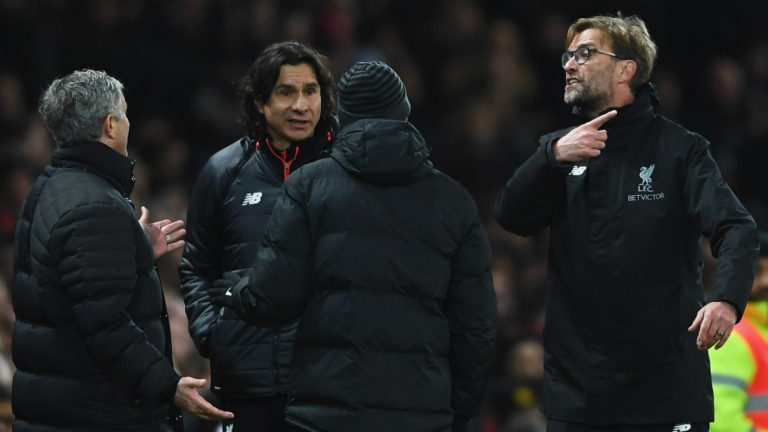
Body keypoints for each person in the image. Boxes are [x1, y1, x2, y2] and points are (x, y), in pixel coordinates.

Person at [493, 13, 759, 432]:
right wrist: (551, 156)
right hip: (579, 397)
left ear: (626, 69)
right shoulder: (560, 151)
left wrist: (726, 300)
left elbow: (736, 228)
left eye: (585, 53)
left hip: (664, 393)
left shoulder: (679, 150)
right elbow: (511, 217)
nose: (569, 64)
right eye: (567, 55)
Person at [207, 60, 497, 432]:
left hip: (324, 414)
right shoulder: (454, 201)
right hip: (421, 414)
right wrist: (461, 411)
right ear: (404, 115)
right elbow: (476, 326)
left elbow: (275, 297)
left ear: (341, 120)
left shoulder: (308, 186)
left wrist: (237, 291)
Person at [10, 69, 233, 431]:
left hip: (61, 410)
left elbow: (68, 285)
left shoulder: (48, 187)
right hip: (97, 415)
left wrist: (133, 251)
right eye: (125, 113)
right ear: (110, 125)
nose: (129, 122)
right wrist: (169, 385)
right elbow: (106, 324)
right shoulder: (95, 206)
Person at [178, 41, 337, 431]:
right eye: (286, 92)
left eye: (311, 91)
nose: (301, 105)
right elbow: (197, 265)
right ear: (261, 103)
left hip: (329, 384)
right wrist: (214, 335)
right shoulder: (223, 171)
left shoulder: (345, 170)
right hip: (247, 383)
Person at [710, 231, 768, 432]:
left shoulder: (760, 329)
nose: (766, 281)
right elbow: (720, 421)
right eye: (756, 271)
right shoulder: (730, 333)